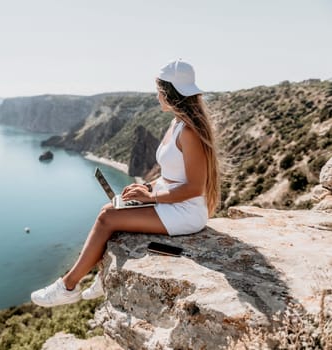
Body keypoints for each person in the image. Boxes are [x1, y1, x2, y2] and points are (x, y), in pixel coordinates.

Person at [31, 59, 221, 307]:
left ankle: (67, 286)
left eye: (159, 91)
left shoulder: (189, 132)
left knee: (108, 218)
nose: (156, 97)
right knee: (110, 210)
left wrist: (150, 198)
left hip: (186, 212)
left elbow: (194, 188)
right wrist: (148, 187)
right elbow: (173, 174)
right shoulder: (177, 124)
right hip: (172, 201)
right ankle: (102, 276)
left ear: (168, 92)